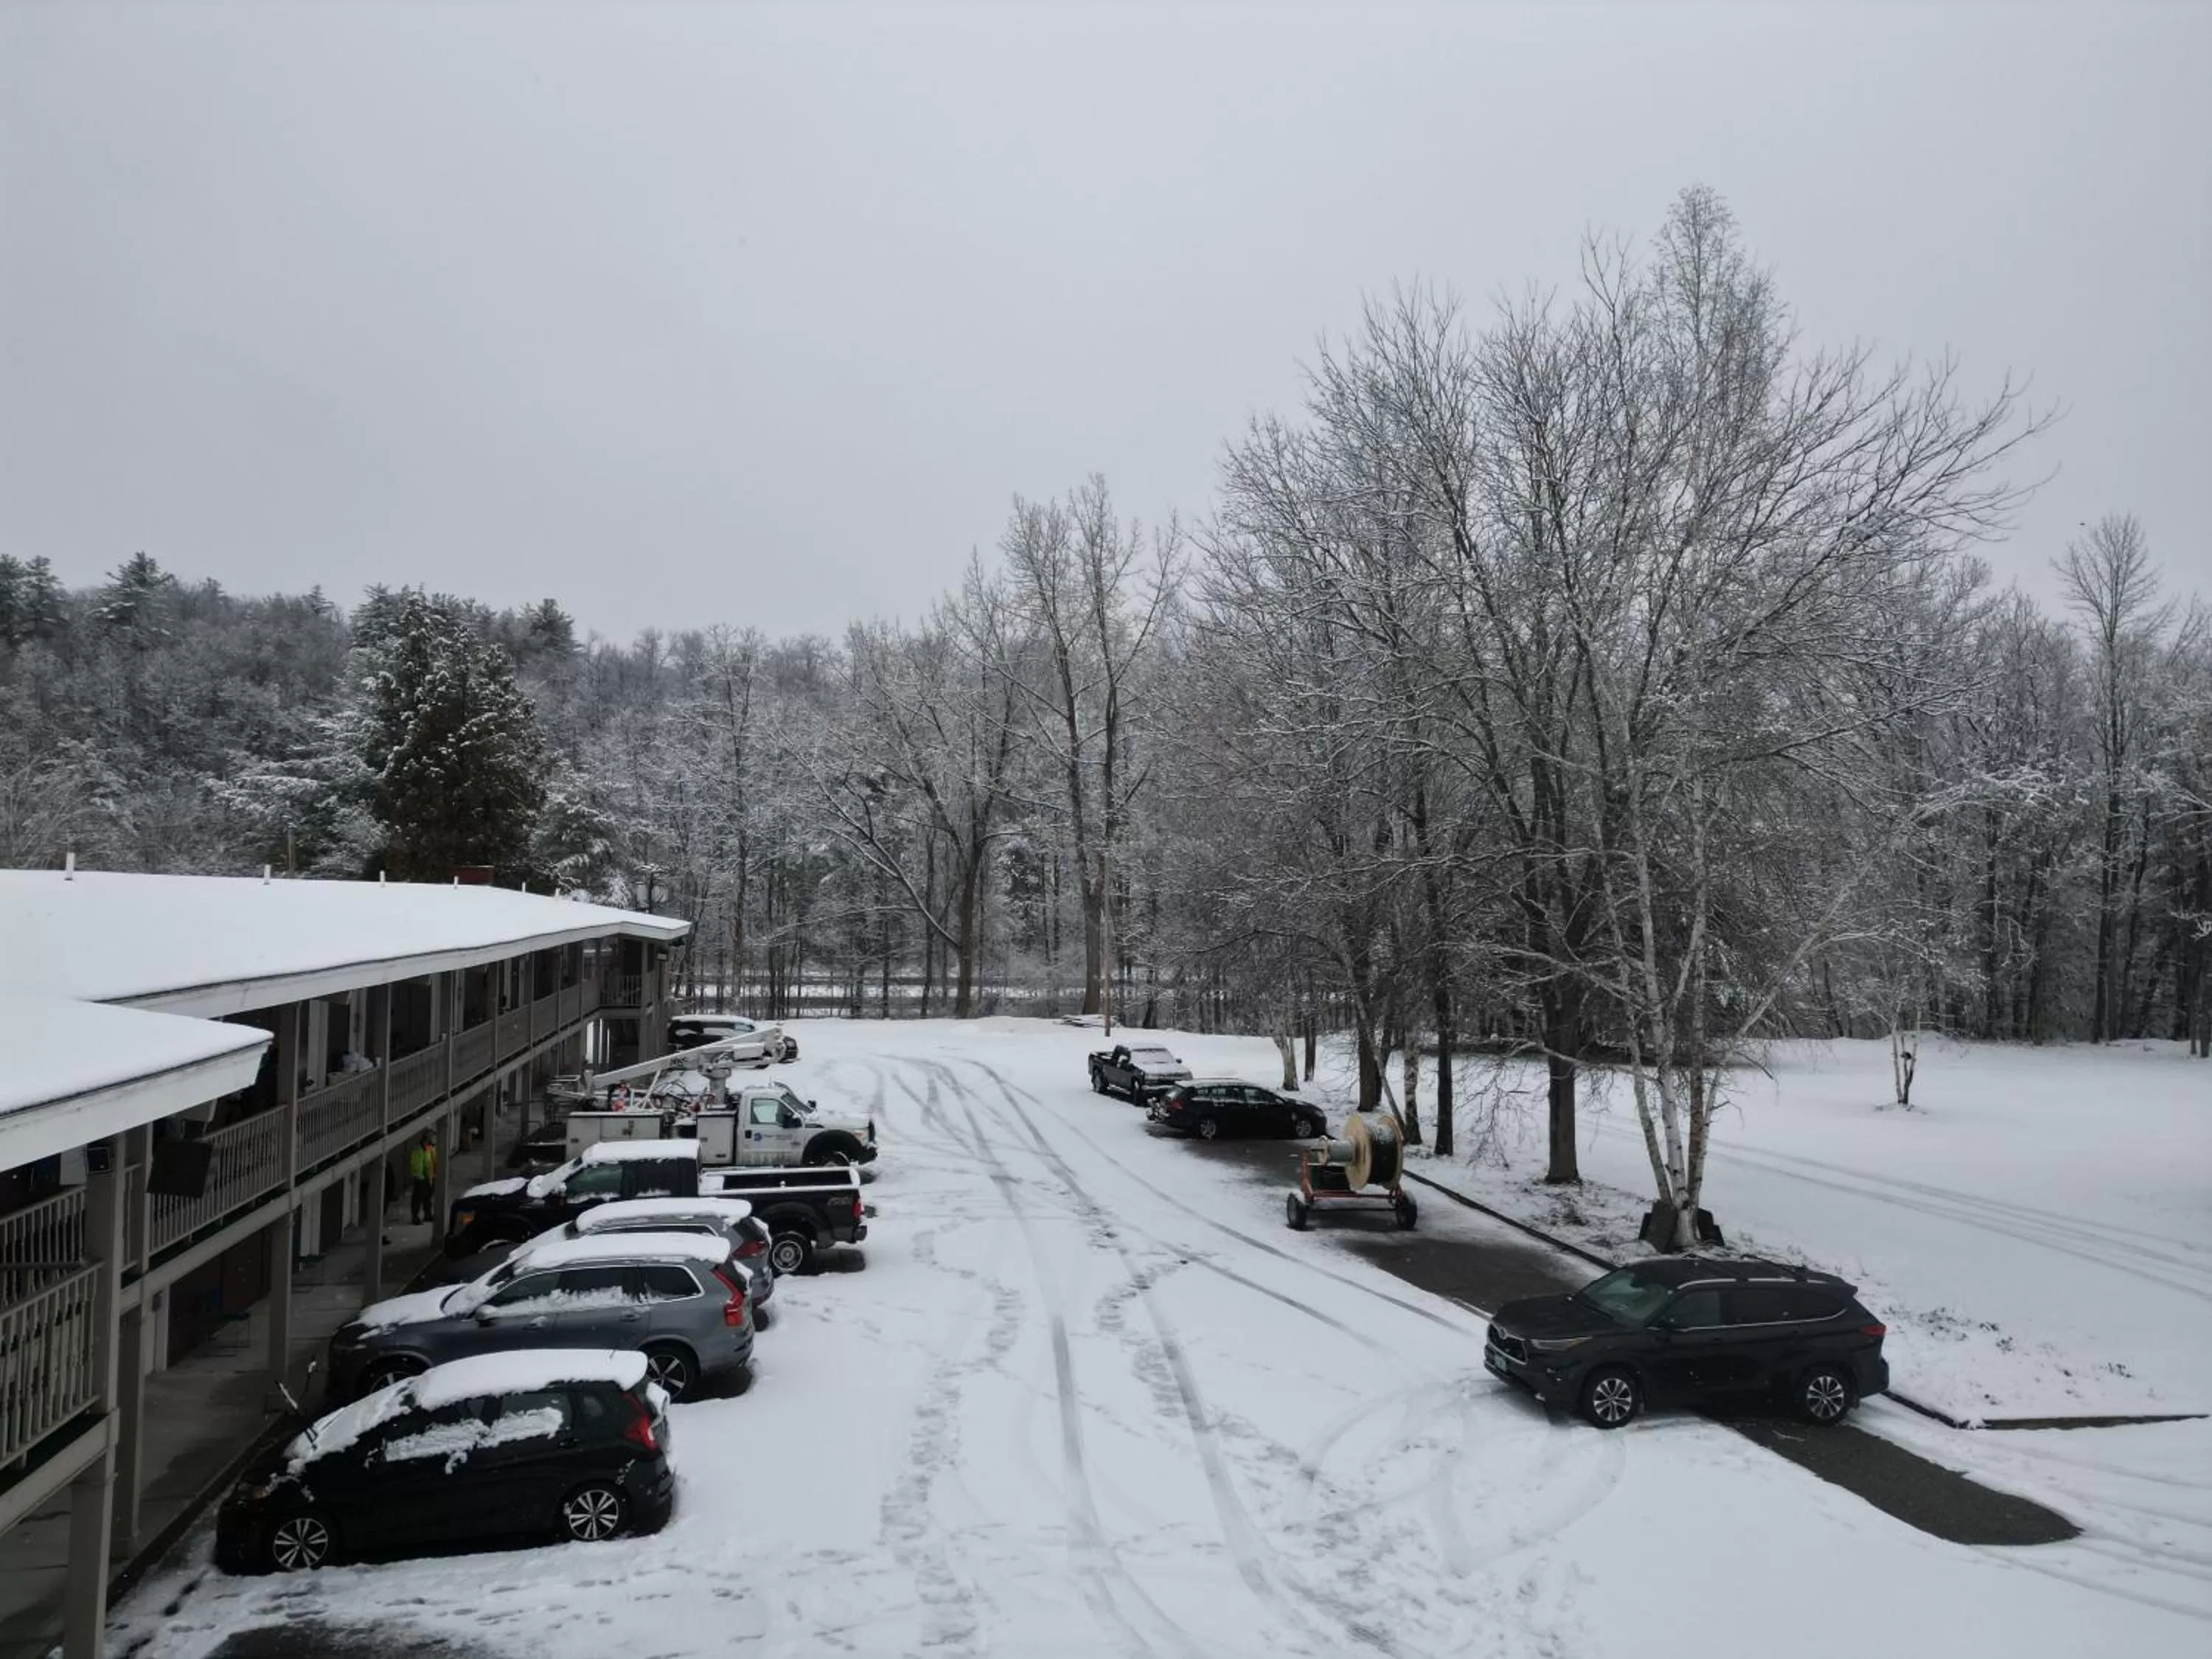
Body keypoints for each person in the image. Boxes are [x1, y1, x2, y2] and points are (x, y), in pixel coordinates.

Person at [407, 1132, 437, 1225]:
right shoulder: (418, 1151)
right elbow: (417, 1166)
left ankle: (427, 1214)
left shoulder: (429, 1149)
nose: (430, 1145)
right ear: (425, 1141)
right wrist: (421, 1178)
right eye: (429, 1143)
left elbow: (433, 1161)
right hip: (421, 1178)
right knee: (418, 1198)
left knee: (428, 1197)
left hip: (429, 1177)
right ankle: (415, 1217)